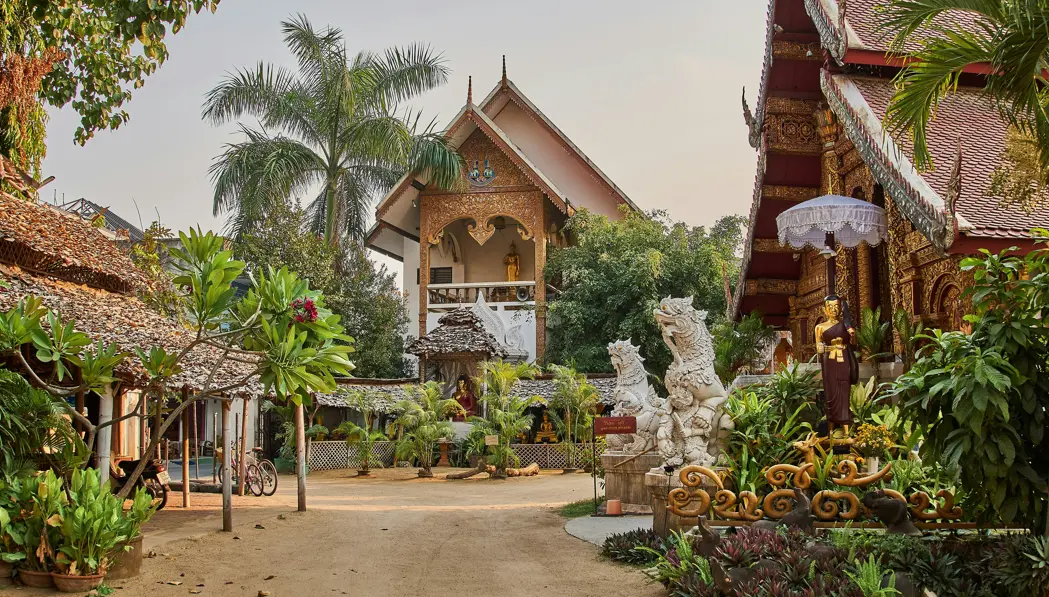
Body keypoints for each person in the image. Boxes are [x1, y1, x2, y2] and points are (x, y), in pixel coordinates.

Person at [813, 295, 857, 438]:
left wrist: (852, 334)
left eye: (836, 306)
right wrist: (822, 348)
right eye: (830, 307)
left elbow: (854, 343)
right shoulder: (820, 327)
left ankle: (845, 430)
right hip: (829, 362)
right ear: (824, 309)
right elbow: (818, 346)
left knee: (844, 391)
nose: (833, 309)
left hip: (843, 360)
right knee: (831, 392)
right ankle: (831, 429)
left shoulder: (846, 325)